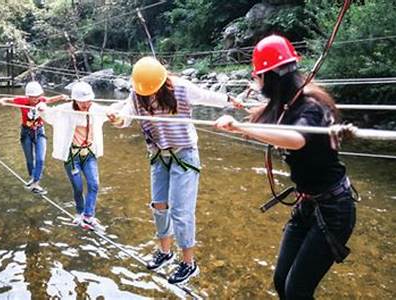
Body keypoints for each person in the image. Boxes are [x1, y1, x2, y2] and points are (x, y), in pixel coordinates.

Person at [214, 35, 357, 299]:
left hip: (334, 208)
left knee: (297, 290)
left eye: (257, 76)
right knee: (282, 281)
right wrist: (240, 116)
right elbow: (274, 119)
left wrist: (242, 127)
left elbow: (297, 139)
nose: (255, 81)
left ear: (270, 76)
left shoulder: (311, 107)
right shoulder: (285, 105)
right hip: (307, 205)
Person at [107, 57, 241, 284]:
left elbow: (205, 96)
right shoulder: (136, 94)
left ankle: (189, 264)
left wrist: (230, 100)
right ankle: (165, 252)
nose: (149, 94)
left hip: (184, 155)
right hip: (158, 155)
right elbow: (126, 117)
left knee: (180, 211)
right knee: (159, 205)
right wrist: (117, 119)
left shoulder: (180, 88)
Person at [37, 81, 118, 231]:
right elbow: (48, 114)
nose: (86, 104)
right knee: (78, 187)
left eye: (88, 101)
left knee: (94, 185)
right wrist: (41, 109)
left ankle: (88, 216)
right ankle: (80, 213)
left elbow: (111, 109)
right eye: (82, 102)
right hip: (72, 156)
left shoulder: (94, 109)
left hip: (89, 154)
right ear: (75, 100)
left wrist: (117, 111)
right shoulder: (65, 110)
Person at [0, 81, 66, 195]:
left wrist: (61, 96)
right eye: (32, 97)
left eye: (37, 97)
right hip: (26, 132)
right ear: (28, 96)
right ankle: (32, 179)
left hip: (39, 131)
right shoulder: (22, 101)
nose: (35, 99)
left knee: (40, 158)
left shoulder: (41, 101)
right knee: (30, 160)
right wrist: (2, 101)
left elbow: (50, 100)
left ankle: (36, 183)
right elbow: (8, 99)